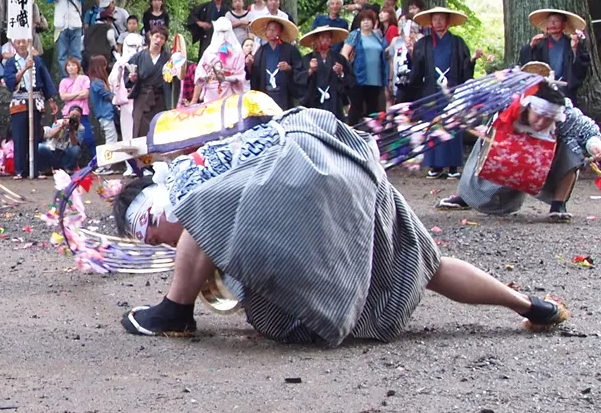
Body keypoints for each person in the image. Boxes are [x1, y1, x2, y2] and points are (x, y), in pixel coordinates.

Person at [114, 109, 570, 341]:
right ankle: (530, 306)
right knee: (426, 263)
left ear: (154, 208)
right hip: (348, 175)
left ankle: (175, 313)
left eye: (151, 230)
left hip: (306, 174)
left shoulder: (186, 188)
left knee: (201, 208)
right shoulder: (212, 174)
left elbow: (195, 213)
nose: (158, 239)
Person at [440, 79, 598, 222]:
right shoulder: (509, 98)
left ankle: (558, 203)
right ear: (529, 107)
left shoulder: (567, 114)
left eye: (548, 118)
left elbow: (589, 131)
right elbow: (472, 89)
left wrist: (594, 146)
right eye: (539, 116)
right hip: (506, 149)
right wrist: (454, 109)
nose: (542, 122)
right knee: (488, 135)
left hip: (545, 159)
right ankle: (466, 196)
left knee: (571, 147)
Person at [405, 7, 484, 179]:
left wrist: (472, 60)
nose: (438, 22)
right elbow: (417, 70)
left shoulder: (458, 42)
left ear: (447, 21)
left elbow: (464, 68)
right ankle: (435, 166)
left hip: (452, 90)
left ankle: (453, 166)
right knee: (434, 125)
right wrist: (412, 55)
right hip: (431, 90)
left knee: (452, 125)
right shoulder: (423, 43)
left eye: (441, 19)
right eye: (435, 19)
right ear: (431, 22)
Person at [2, 41, 52, 179]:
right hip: (19, 100)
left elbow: (45, 80)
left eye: (24, 41)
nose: (22, 44)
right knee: (19, 136)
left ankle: (34, 170)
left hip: (35, 100)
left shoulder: (37, 60)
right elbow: (10, 81)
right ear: (14, 45)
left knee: (35, 136)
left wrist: (51, 100)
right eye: (18, 42)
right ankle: (19, 170)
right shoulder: (11, 62)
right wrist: (24, 68)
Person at [519, 8, 590, 93]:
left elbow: (581, 64)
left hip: (564, 86)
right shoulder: (541, 44)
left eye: (556, 21)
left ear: (563, 24)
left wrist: (574, 48)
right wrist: (532, 45)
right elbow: (528, 64)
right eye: (550, 21)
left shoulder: (570, 43)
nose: (553, 24)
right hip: (545, 86)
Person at [340, 9, 390, 121]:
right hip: (359, 77)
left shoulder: (378, 36)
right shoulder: (355, 35)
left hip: (376, 79)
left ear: (373, 22)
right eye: (363, 20)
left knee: (373, 109)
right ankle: (352, 131)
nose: (366, 22)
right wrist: (348, 72)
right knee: (356, 107)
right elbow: (344, 53)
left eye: (368, 20)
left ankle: (372, 134)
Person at [248, 14, 302, 109]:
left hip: (284, 93)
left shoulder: (290, 49)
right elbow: (254, 73)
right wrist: (249, 64)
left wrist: (289, 68)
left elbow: (300, 69)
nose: (271, 32)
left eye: (274, 29)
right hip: (266, 92)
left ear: (280, 31)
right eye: (269, 29)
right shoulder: (261, 51)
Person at [193, 15, 247, 104]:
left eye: (225, 32)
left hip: (229, 93)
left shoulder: (237, 51)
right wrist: (207, 77)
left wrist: (225, 79)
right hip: (211, 93)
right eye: (220, 32)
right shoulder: (209, 51)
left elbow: (240, 76)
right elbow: (199, 72)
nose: (223, 36)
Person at [128, 26, 169, 139]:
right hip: (142, 97)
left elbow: (175, 79)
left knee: (158, 130)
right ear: (150, 36)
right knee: (140, 128)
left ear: (165, 41)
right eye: (156, 36)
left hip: (160, 99)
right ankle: (140, 156)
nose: (158, 40)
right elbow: (127, 77)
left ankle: (158, 156)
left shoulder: (168, 59)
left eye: (162, 38)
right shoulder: (138, 57)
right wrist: (132, 78)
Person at [298, 25, 350, 117]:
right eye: (322, 37)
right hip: (314, 100)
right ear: (316, 40)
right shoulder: (307, 59)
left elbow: (350, 80)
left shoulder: (339, 58)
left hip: (334, 101)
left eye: (328, 37)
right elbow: (297, 79)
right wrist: (310, 71)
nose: (326, 40)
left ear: (331, 40)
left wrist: (341, 73)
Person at [47, 0, 86, 74]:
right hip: (61, 27)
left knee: (76, 54)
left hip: (75, 25)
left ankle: (76, 78)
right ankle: (66, 78)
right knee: (62, 55)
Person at [36, 107, 97, 174]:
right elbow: (50, 136)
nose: (74, 118)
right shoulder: (58, 122)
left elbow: (75, 144)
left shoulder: (81, 128)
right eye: (73, 115)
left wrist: (71, 130)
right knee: (40, 147)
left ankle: (67, 169)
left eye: (77, 117)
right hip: (53, 151)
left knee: (76, 149)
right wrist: (61, 126)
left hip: (65, 154)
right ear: (67, 115)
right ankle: (46, 169)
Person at [85, 55, 119, 152]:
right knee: (111, 140)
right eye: (104, 66)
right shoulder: (98, 83)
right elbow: (110, 96)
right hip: (106, 115)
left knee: (112, 138)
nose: (106, 68)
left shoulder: (94, 82)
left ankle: (108, 164)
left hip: (104, 115)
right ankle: (106, 164)